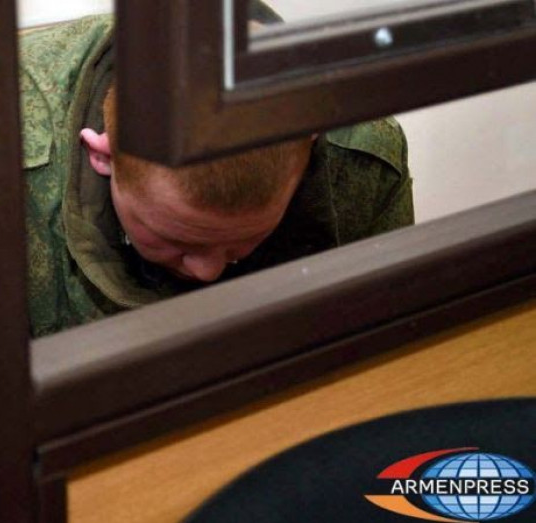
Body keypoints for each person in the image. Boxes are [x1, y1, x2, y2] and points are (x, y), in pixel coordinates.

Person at [20, 12, 413, 337]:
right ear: (103, 155)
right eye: (175, 241)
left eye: (241, 245)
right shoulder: (2, 157)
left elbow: (390, 345)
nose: (207, 272)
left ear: (310, 147)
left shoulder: (362, 158)